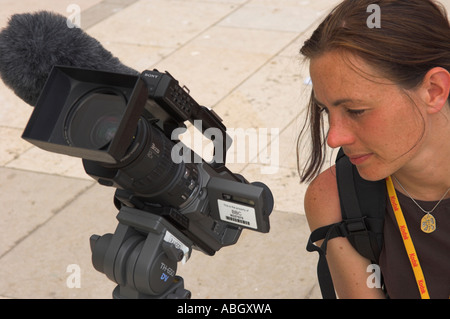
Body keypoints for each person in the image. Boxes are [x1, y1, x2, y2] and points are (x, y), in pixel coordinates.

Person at [298, 0, 450, 298]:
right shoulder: (335, 200)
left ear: (434, 90)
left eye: (355, 110)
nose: (333, 138)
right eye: (326, 111)